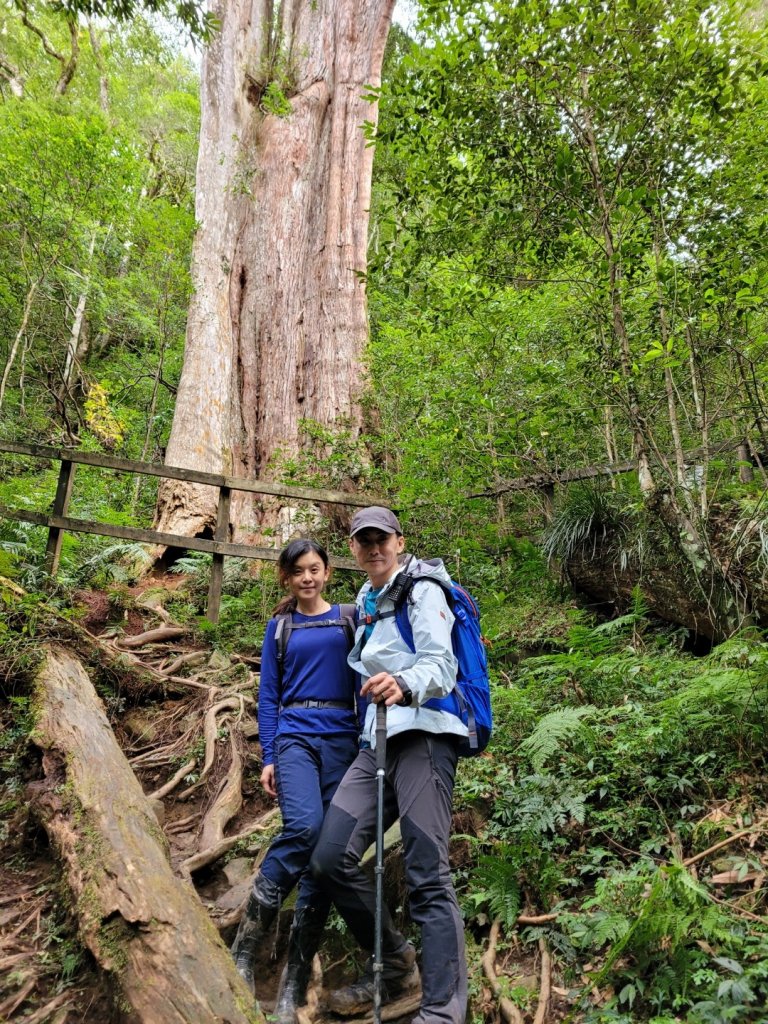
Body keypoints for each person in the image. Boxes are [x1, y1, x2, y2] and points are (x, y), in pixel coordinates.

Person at [311, 507, 468, 1024]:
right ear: (353, 550)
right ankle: (397, 965)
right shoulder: (364, 600)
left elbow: (442, 664)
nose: (374, 548)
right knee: (330, 856)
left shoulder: (423, 590)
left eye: (382, 539)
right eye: (364, 541)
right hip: (373, 743)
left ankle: (444, 1010)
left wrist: (404, 685)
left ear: (399, 542)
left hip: (424, 736)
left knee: (426, 870)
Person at [231, 539, 360, 1022]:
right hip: (294, 740)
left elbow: (363, 684)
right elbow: (267, 696)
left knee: (323, 857)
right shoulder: (279, 628)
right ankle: (245, 949)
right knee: (304, 828)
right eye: (298, 572)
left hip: (343, 741)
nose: (307, 578)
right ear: (287, 578)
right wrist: (268, 754)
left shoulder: (349, 619)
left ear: (327, 572)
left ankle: (295, 978)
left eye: (315, 569)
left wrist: (367, 741)